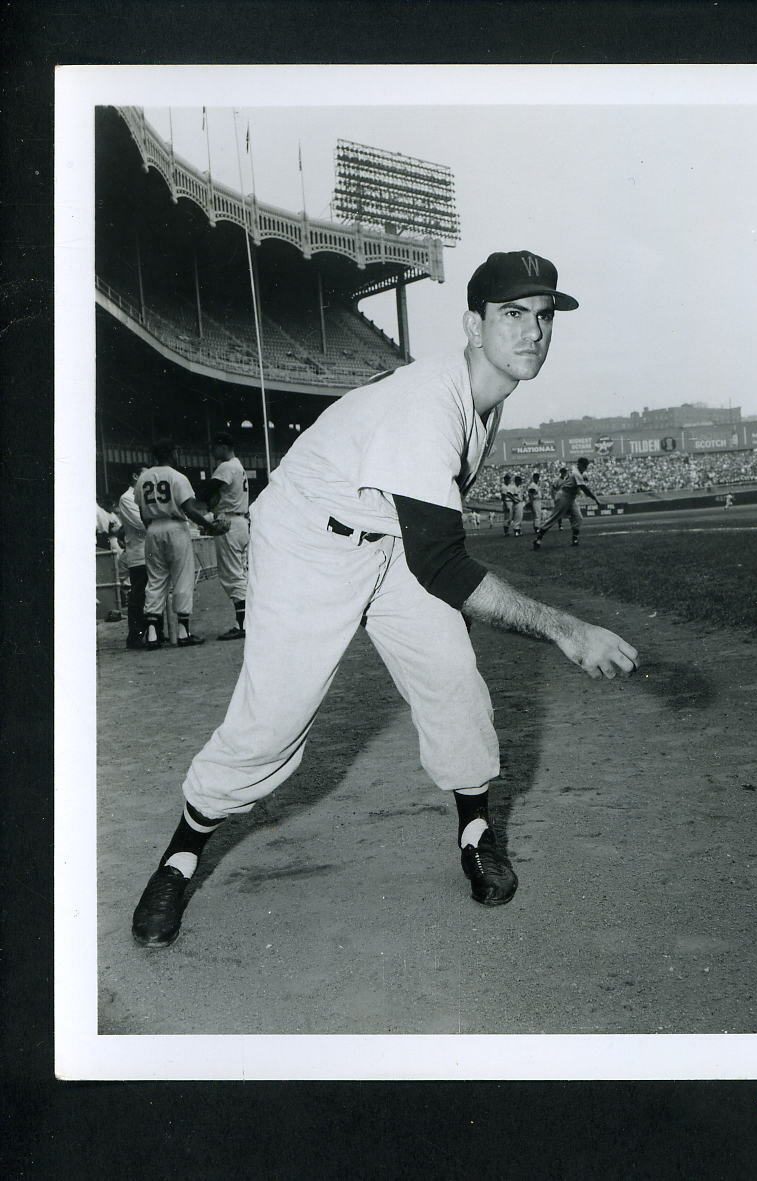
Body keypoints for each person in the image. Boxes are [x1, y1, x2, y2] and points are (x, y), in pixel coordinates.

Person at [131, 249, 639, 949]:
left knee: (453, 678)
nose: (533, 332)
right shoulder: (433, 399)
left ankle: (476, 828)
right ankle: (180, 855)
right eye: (512, 314)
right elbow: (442, 565)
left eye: (544, 317)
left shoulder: (483, 404)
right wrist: (564, 628)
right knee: (272, 722)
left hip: (388, 539)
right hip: (312, 537)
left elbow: (423, 547)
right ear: (472, 323)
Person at [136, 439, 228, 649]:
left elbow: (142, 513)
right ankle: (183, 632)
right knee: (182, 578)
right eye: (176, 451)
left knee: (156, 580)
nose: (178, 454)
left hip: (152, 528)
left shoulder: (143, 478)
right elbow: (189, 508)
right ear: (170, 453)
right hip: (175, 527)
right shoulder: (177, 477)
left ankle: (152, 634)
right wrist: (208, 526)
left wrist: (152, 528)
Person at [200, 431, 250, 640]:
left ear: (223, 446)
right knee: (242, 573)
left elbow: (207, 489)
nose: (213, 451)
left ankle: (243, 625)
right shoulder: (239, 466)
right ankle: (248, 621)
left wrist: (201, 504)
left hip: (228, 521)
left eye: (215, 447)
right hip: (241, 522)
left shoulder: (227, 466)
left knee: (232, 575)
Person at [534, 456, 602, 548]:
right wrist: (595, 499)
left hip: (571, 497)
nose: (585, 468)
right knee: (554, 517)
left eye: (586, 466)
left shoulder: (576, 471)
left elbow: (581, 479)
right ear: (580, 465)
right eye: (584, 466)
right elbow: (584, 489)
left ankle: (575, 539)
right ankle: (538, 539)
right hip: (564, 496)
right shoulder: (576, 473)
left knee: (578, 517)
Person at [116, 470, 148, 649]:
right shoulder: (127, 498)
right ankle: (135, 635)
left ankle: (153, 632)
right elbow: (141, 523)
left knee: (152, 594)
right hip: (137, 552)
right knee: (138, 595)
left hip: (151, 551)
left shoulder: (144, 495)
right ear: (135, 476)